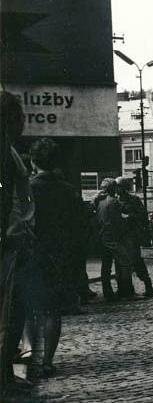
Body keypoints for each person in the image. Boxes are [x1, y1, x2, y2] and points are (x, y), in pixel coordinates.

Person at [24, 138, 84, 377]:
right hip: (59, 258)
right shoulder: (68, 190)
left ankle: (28, 360)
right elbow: (81, 227)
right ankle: (48, 361)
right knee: (52, 312)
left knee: (28, 310)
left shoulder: (27, 188)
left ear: (33, 162)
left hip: (30, 255)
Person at [0, 92, 34, 394]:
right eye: (19, 116)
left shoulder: (7, 150)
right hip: (7, 246)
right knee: (7, 313)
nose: (23, 121)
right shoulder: (3, 151)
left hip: (13, 241)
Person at [94, 179, 134, 301]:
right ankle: (126, 292)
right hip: (113, 237)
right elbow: (119, 220)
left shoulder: (99, 202)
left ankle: (108, 293)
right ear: (112, 188)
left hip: (103, 236)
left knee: (106, 266)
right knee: (126, 262)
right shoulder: (113, 202)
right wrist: (127, 219)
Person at [116, 176, 153, 298]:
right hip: (120, 235)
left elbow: (142, 215)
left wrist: (130, 216)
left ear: (124, 188)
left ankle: (148, 285)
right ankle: (124, 288)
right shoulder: (115, 201)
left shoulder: (134, 200)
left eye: (119, 187)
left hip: (132, 236)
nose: (117, 189)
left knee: (136, 261)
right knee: (120, 263)